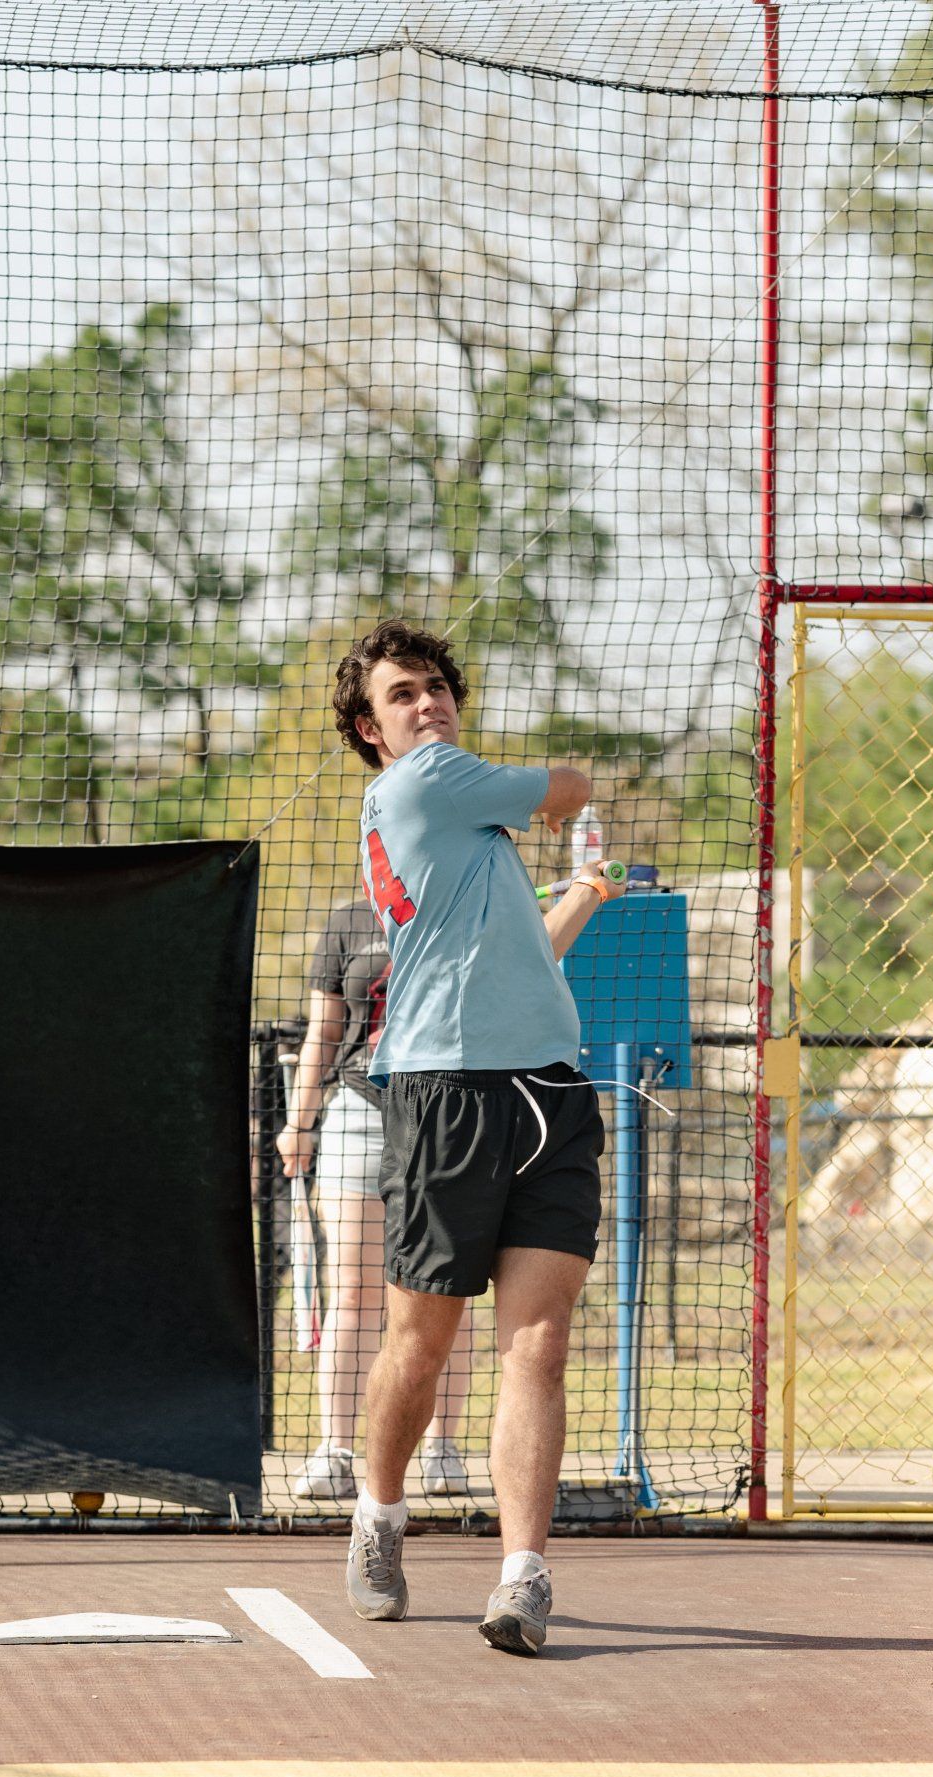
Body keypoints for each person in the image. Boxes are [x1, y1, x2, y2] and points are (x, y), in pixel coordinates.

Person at [332, 617, 620, 1656]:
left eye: (438, 687)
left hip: (548, 1089)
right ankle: (379, 1511)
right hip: (447, 1093)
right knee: (424, 1339)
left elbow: (526, 959)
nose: (429, 702)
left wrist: (584, 893)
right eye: (403, 693)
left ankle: (523, 1574)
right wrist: (567, 794)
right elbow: (571, 785)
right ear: (371, 729)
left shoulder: (470, 829)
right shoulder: (423, 782)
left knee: (538, 1344)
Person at [275, 895, 471, 1503]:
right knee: (355, 1288)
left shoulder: (468, 899)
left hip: (450, 1113)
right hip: (360, 1110)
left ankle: (441, 1450)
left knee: (447, 1286)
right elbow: (326, 1031)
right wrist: (299, 1121)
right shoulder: (348, 919)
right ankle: (335, 1451)